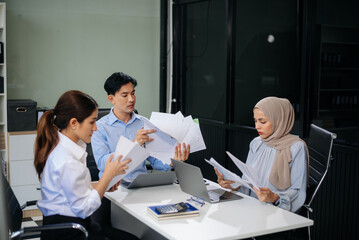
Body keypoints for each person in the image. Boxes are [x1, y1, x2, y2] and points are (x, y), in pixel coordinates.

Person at [34, 90, 138, 240]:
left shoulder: (65, 147)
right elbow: (85, 209)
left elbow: (74, 190)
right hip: (70, 232)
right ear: (74, 123)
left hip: (70, 225)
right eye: (92, 121)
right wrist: (106, 177)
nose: (95, 128)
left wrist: (102, 184)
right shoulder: (66, 160)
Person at [91, 72, 190, 181]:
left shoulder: (144, 123)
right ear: (111, 99)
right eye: (125, 95)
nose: (131, 99)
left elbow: (155, 161)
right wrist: (134, 144)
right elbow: (102, 164)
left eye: (133, 93)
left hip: (140, 184)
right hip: (112, 186)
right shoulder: (99, 127)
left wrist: (173, 161)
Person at [215, 96, 308, 213]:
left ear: (278, 121)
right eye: (255, 120)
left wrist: (275, 197)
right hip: (251, 207)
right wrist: (233, 185)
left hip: (276, 213)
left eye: (262, 121)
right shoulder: (256, 143)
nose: (257, 126)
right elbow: (248, 181)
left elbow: (298, 191)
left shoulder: (296, 147)